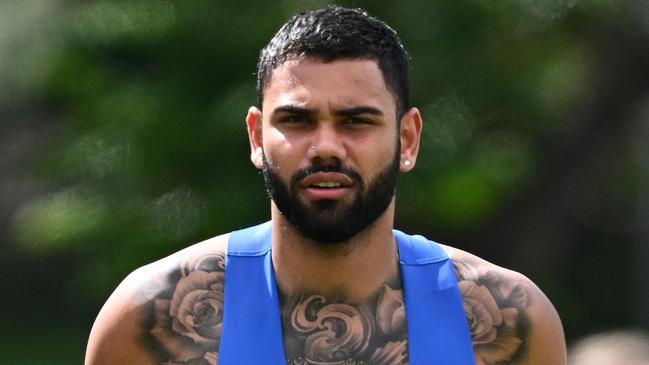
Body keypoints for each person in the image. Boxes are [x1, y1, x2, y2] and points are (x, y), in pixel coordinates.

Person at [85, 6, 567, 365]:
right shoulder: (150, 318)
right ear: (256, 137)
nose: (326, 147)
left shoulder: (508, 323)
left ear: (407, 138)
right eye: (297, 120)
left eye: (356, 122)